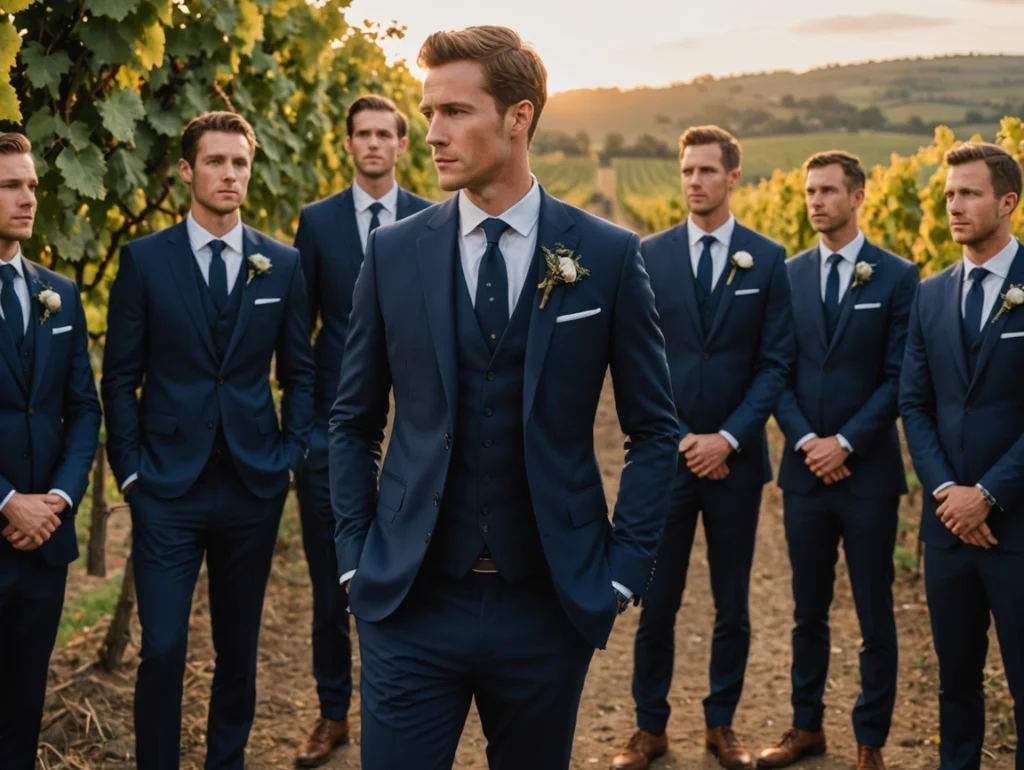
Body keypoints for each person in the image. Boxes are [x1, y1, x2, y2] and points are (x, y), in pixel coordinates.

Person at [329, 25, 679, 770]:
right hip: (409, 601)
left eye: (454, 112)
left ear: (519, 117)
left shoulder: (608, 255)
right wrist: (355, 559)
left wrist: (622, 572)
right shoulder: (392, 252)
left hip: (547, 605)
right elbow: (352, 421)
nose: (431, 134)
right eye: (429, 113)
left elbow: (654, 431)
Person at [101, 111, 315, 770]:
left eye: (239, 162)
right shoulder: (144, 261)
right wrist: (130, 473)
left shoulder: (282, 264)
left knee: (238, 650)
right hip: (166, 487)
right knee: (163, 648)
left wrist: (289, 458)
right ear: (187, 170)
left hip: (253, 486)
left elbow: (301, 375)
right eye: (216, 161)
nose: (229, 174)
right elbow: (120, 379)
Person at [612, 125, 794, 770]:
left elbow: (775, 363)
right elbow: (636, 358)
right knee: (656, 599)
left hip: (735, 465)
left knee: (731, 603)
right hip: (668, 459)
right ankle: (649, 728)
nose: (694, 181)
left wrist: (728, 437)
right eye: (687, 170)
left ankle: (722, 724)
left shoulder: (767, 258)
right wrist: (680, 436)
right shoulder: (648, 254)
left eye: (707, 171)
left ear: (733, 177)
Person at [761, 151, 918, 770]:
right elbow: (775, 368)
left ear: (858, 197)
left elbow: (898, 377)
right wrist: (807, 442)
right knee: (808, 610)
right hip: (805, 474)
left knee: (875, 612)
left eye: (827, 191)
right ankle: (806, 727)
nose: (815, 201)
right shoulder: (786, 274)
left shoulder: (898, 276)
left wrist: (845, 443)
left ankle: (869, 739)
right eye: (809, 191)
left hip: (868, 474)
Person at [291, 93, 432, 767]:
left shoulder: (433, 220)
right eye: (362, 134)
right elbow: (300, 332)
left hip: (418, 432)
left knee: (413, 573)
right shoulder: (316, 223)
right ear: (347, 144)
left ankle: (401, 702)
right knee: (331, 580)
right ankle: (332, 711)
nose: (373, 143)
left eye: (384, 133)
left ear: (402, 144)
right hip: (333, 429)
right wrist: (304, 431)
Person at [900, 142, 1024, 770]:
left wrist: (990, 495)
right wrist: (949, 493)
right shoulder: (929, 294)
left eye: (969, 193)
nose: (953, 205)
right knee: (955, 685)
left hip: (1018, 527)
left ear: (1007, 202)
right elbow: (914, 403)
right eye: (949, 194)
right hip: (948, 528)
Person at [0, 131, 101, 769]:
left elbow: (83, 409)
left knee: (23, 709)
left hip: (45, 546)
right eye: (11, 185)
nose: (29, 197)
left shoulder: (57, 292)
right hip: (5, 521)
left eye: (32, 184)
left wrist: (58, 500)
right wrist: (7, 501)